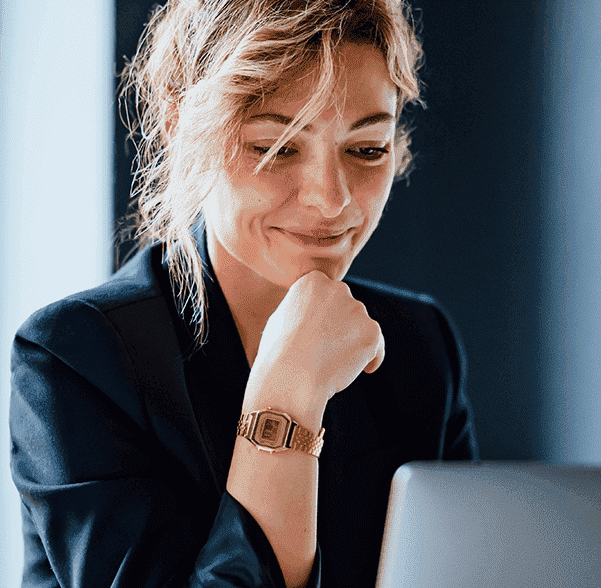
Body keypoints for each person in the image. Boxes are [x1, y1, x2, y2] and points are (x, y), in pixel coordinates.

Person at [9, 1, 477, 587]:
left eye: (366, 149)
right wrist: (288, 397)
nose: (331, 201)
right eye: (276, 147)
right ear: (181, 128)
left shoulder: (419, 345)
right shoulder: (77, 358)